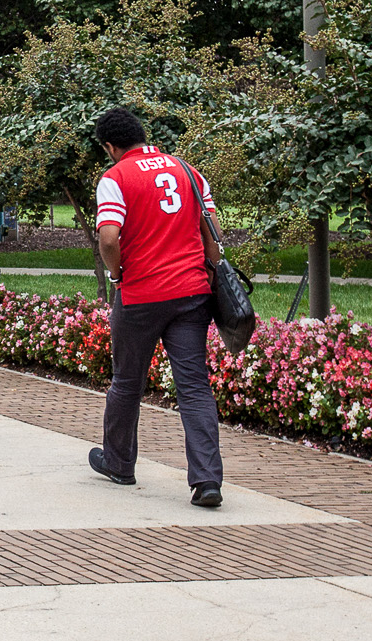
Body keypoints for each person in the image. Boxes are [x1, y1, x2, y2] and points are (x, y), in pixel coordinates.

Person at [88, 107, 224, 508]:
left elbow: (109, 239)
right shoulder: (188, 171)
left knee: (127, 382)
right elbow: (212, 234)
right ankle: (206, 481)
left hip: (141, 296)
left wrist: (117, 275)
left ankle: (119, 463)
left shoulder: (115, 178)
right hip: (192, 293)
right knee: (195, 386)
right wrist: (209, 281)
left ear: (111, 146)